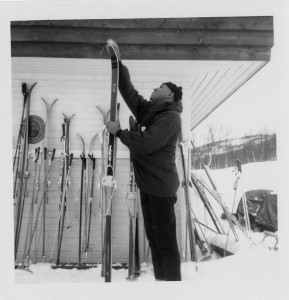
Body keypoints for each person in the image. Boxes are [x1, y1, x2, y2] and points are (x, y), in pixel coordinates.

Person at [106, 58, 183, 281]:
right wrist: (118, 67)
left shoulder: (170, 118)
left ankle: (174, 286)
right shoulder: (150, 110)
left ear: (170, 96)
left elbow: (147, 143)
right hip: (148, 186)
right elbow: (129, 93)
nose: (155, 88)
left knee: (166, 243)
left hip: (161, 188)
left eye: (161, 88)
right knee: (155, 240)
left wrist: (120, 133)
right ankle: (162, 282)